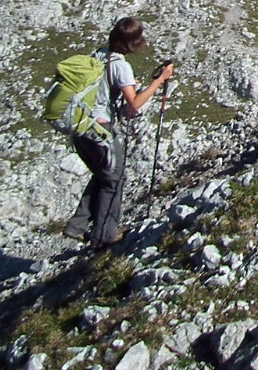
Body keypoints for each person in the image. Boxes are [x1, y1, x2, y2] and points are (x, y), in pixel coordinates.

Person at [63, 17, 175, 247]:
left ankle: (78, 225)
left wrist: (126, 85)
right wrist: (160, 80)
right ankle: (104, 234)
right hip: (99, 128)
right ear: (132, 43)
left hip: (79, 125)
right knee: (115, 177)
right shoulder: (121, 65)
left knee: (103, 174)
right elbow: (134, 104)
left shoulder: (99, 54)